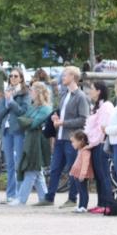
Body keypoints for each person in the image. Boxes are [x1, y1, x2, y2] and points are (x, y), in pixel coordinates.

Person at [37, 66, 89, 208]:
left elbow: (84, 119)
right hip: (60, 137)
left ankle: (72, 198)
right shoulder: (64, 94)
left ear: (73, 77)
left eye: (65, 75)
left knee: (72, 169)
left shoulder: (81, 96)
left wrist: (63, 123)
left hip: (72, 139)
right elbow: (62, 114)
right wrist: (56, 117)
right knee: (55, 168)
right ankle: (49, 197)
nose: (62, 77)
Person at [11, 81, 52, 206]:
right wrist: (28, 121)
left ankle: (21, 199)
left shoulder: (46, 108)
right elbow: (24, 119)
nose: (30, 93)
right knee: (36, 171)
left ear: (38, 93)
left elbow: (33, 123)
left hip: (38, 142)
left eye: (32, 91)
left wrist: (28, 121)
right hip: (30, 139)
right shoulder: (33, 106)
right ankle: (44, 198)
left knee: (31, 169)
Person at [0, 68, 29, 204]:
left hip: (18, 131)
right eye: (11, 76)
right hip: (6, 130)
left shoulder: (24, 93)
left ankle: (20, 195)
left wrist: (11, 102)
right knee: (9, 164)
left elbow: (23, 112)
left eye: (16, 76)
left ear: (21, 78)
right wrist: (5, 101)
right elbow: (1, 112)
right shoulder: (7, 92)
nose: (13, 78)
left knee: (19, 164)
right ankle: (10, 194)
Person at [83, 80, 114, 213]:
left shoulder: (106, 106)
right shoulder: (96, 106)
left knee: (104, 175)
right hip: (94, 145)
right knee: (98, 176)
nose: (90, 91)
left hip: (101, 145)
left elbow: (102, 129)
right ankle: (101, 203)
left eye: (92, 88)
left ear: (99, 91)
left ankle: (108, 204)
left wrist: (92, 144)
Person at [68, 130, 93, 213]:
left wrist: (83, 174)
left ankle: (83, 206)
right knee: (80, 190)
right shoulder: (80, 150)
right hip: (77, 174)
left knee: (83, 190)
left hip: (82, 175)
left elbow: (85, 164)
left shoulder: (85, 151)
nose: (72, 144)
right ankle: (80, 206)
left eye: (74, 142)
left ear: (81, 141)